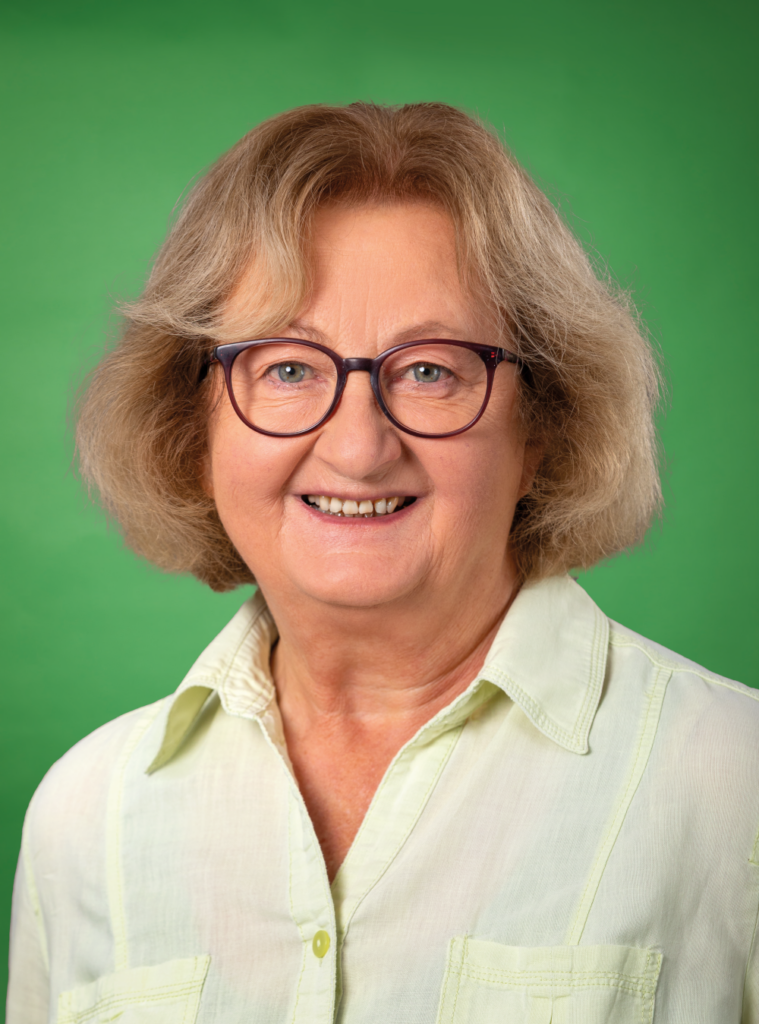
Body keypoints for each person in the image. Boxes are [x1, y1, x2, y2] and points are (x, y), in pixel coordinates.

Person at [6, 102, 759, 1024]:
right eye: (287, 368)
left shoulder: (734, 781)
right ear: (190, 428)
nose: (358, 448)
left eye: (430, 370)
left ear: (543, 427)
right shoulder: (85, 816)